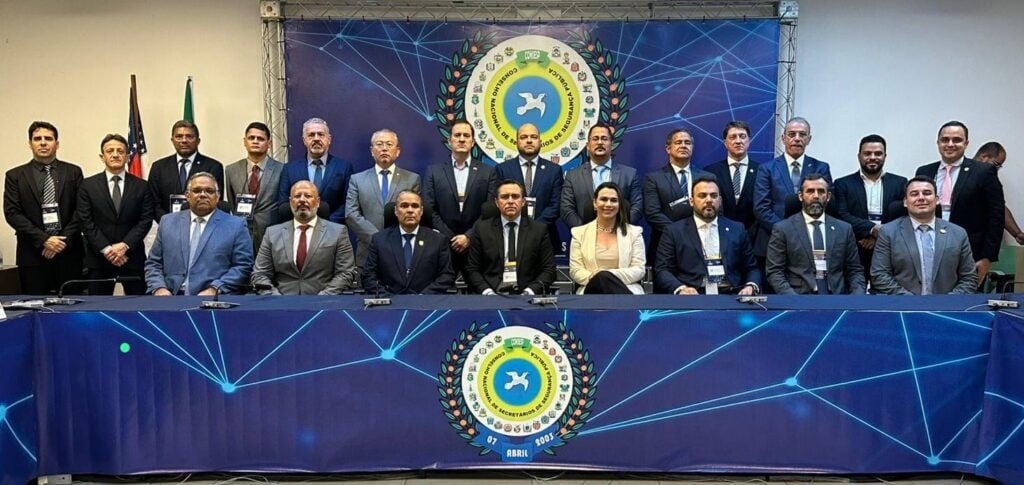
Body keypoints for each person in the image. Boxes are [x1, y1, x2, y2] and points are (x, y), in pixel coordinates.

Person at [916, 121, 1004, 285]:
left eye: (956, 140)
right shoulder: (924, 171)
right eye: (945, 140)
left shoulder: (983, 172)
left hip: (970, 253)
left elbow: (996, 216)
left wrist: (987, 258)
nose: (950, 144)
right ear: (938, 143)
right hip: (928, 251)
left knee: (964, 298)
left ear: (966, 143)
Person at [3, 121, 84, 294]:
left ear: (57, 143)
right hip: (32, 254)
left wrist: (61, 241)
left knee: (73, 304)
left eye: (48, 138)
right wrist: (44, 240)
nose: (43, 143)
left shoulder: (73, 172)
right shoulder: (15, 176)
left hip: (69, 253)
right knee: (35, 304)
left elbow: (81, 210)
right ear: (30, 143)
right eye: (37, 139)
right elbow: (12, 213)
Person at [145, 172, 253, 295]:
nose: (203, 195)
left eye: (209, 191)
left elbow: (243, 265)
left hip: (215, 297)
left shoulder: (236, 225)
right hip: (170, 296)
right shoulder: (167, 222)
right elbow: (153, 263)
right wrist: (159, 287)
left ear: (218, 196)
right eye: (197, 190)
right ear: (187, 195)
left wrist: (215, 288)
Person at [654, 176, 761, 295]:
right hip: (692, 295)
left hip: (731, 295)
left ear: (720, 200)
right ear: (691, 201)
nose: (709, 200)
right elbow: (662, 270)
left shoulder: (737, 229)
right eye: (702, 196)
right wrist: (681, 288)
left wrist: (751, 285)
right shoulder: (674, 231)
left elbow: (752, 268)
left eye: (714, 196)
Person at [871, 176, 978, 295]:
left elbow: (969, 277)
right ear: (905, 202)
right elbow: (879, 274)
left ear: (937, 200)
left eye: (927, 193)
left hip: (947, 304)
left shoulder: (958, 233)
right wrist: (910, 300)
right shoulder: (888, 232)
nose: (921, 198)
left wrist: (948, 300)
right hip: (903, 303)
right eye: (914, 194)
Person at [77, 134, 154, 295]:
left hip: (132, 257)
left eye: (120, 151)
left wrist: (124, 246)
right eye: (110, 151)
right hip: (99, 259)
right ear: (102, 156)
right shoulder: (87, 186)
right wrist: (107, 250)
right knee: (98, 307)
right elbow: (85, 221)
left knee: (139, 305)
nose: (115, 154)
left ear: (127, 156)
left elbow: (145, 220)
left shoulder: (142, 186)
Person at [251, 181, 356, 295]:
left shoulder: (338, 232)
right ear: (290, 202)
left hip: (323, 301)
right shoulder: (272, 234)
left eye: (308, 196)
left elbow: (345, 273)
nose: (302, 200)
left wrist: (323, 297)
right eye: (297, 196)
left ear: (318, 202)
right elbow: (260, 274)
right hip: (281, 300)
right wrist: (276, 298)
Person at [766, 174, 864, 295]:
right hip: (799, 297)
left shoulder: (844, 229)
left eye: (821, 191)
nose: (816, 196)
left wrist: (857, 298)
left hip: (837, 298)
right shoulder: (783, 229)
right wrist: (793, 300)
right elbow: (775, 272)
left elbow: (855, 271)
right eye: (810, 191)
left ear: (828, 197)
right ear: (800, 196)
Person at [753, 117, 832, 264]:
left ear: (809, 139)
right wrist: (785, 231)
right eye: (791, 134)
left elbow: (826, 203)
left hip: (812, 239)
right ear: (783, 138)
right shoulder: (767, 169)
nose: (797, 139)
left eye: (802, 134)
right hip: (773, 239)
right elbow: (761, 208)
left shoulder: (821, 168)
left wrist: (803, 232)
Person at [422, 120, 494, 277]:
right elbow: (429, 210)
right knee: (440, 291)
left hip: (477, 246)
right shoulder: (434, 172)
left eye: (466, 136)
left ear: (473, 142)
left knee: (479, 291)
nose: (462, 139)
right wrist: (451, 238)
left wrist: (469, 236)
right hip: (443, 245)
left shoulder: (488, 172)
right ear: (450, 140)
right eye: (457, 135)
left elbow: (490, 211)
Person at [832, 134, 907, 281]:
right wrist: (872, 230)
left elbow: (903, 216)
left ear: (885, 156)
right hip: (856, 247)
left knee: (886, 290)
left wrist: (879, 237)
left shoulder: (900, 183)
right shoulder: (843, 183)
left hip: (890, 249)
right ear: (859, 156)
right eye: (867, 154)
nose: (872, 157)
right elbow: (842, 215)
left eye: (878, 154)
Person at [466, 180, 556, 295]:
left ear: (523, 202)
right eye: (504, 197)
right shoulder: (482, 229)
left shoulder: (539, 230)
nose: (510, 201)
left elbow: (549, 270)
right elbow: (472, 269)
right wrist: (487, 292)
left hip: (526, 295)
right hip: (491, 295)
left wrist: (530, 291)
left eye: (515, 196)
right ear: (497, 202)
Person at [346, 129, 420, 267]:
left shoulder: (412, 179)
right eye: (379, 144)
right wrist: (377, 239)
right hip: (368, 252)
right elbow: (351, 214)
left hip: (401, 252)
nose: (384, 148)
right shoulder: (357, 180)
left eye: (389, 144)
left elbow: (414, 215)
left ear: (398, 151)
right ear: (371, 151)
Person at [489, 123, 563, 254]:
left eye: (533, 137)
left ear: (540, 142)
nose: (529, 140)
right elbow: (497, 203)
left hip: (545, 237)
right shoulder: (502, 169)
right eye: (524, 137)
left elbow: (556, 206)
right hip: (510, 235)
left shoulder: (554, 170)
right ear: (516, 142)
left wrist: (534, 228)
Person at [362, 190, 455, 294]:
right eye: (404, 206)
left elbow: (447, 275)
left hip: (426, 300)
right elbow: (369, 275)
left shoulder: (438, 240)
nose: (410, 210)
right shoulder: (379, 240)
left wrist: (424, 296)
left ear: (421, 211)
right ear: (396, 211)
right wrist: (387, 298)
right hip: (389, 300)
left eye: (415, 206)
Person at [643, 128, 713, 263]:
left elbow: (716, 211)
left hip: (703, 244)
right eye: (678, 142)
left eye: (687, 142)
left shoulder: (707, 177)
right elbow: (652, 214)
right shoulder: (654, 178)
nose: (683, 145)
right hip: (666, 244)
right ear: (668, 149)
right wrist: (679, 234)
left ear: (692, 147)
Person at [568, 182, 646, 294]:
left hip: (626, 288)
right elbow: (575, 270)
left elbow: (639, 270)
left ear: (619, 205)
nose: (608, 204)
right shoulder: (579, 233)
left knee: (607, 282)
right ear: (595, 203)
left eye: (614, 200)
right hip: (591, 289)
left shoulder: (635, 233)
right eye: (603, 199)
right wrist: (597, 279)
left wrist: (606, 276)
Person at [561, 123, 642, 227]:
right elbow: (566, 209)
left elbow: (637, 207)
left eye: (604, 139)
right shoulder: (572, 176)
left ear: (612, 145)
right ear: (588, 146)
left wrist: (618, 230)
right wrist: (585, 231)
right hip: (584, 234)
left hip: (620, 233)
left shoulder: (629, 174)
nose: (600, 142)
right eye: (595, 139)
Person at [277, 117, 354, 224]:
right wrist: (303, 221)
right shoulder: (289, 169)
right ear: (304, 140)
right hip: (299, 229)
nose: (316, 138)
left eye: (321, 134)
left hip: (333, 228)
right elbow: (283, 203)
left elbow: (348, 203)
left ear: (329, 139)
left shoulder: (344, 167)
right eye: (311, 135)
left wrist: (327, 224)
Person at [148, 120, 224, 223]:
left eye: (189, 136)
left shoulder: (213, 166)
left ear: (198, 141)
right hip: (167, 225)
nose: (184, 140)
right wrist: (168, 223)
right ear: (172, 140)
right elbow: (154, 203)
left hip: (201, 225)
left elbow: (215, 201)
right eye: (179, 136)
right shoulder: (158, 167)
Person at [223, 122, 283, 252]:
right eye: (251, 138)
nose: (255, 141)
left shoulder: (282, 169)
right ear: (245, 142)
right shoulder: (231, 170)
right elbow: (232, 203)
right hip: (242, 233)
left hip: (271, 234)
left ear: (269, 144)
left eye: (260, 139)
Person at [704, 121, 760, 231]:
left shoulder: (762, 171)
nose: (738, 141)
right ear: (725, 143)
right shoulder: (711, 172)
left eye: (742, 136)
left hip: (754, 234)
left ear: (749, 141)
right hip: (719, 233)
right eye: (733, 137)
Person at [974, 142, 1024, 244]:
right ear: (984, 157)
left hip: (981, 242)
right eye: (996, 165)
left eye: (999, 166)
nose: (996, 170)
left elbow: (999, 208)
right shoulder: (958, 174)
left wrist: (1017, 233)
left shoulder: (989, 180)